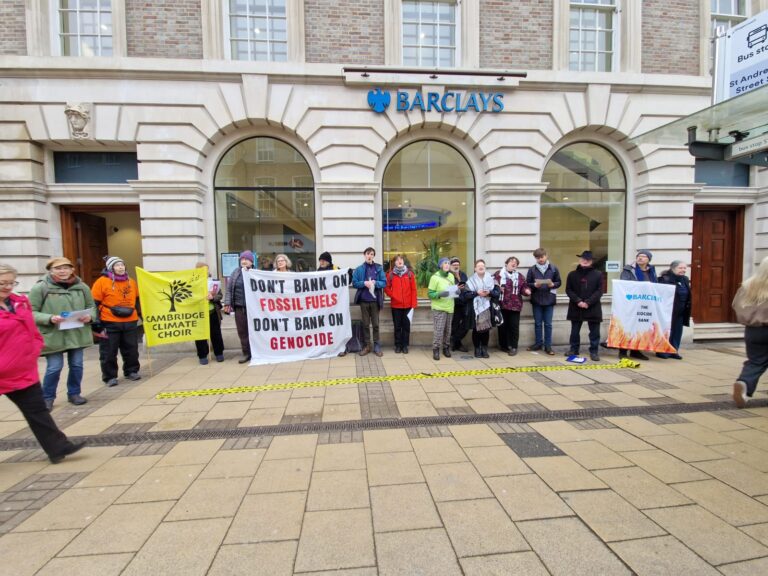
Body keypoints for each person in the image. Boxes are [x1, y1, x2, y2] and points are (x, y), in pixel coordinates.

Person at [0, 263, 86, 463]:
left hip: (21, 370)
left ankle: (58, 447)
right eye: (3, 283)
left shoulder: (20, 302)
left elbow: (30, 326)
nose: (8, 286)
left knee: (37, 411)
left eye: (11, 282)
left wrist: (36, 345)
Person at [29, 257, 96, 410]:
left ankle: (74, 393)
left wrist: (90, 316)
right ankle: (47, 397)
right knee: (54, 367)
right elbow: (30, 312)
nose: (62, 271)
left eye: (65, 268)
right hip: (54, 334)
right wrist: (50, 318)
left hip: (76, 332)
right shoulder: (40, 288)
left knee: (77, 364)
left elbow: (92, 306)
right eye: (58, 268)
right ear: (51, 271)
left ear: (72, 270)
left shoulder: (82, 286)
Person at [91, 256, 141, 387]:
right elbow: (94, 303)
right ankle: (110, 376)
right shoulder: (101, 282)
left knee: (131, 349)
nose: (120, 267)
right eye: (117, 265)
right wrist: (96, 321)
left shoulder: (131, 281)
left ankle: (131, 371)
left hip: (130, 320)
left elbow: (137, 301)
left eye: (122, 265)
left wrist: (142, 315)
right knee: (109, 351)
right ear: (110, 268)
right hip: (109, 320)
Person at [731, 256, 768, 408]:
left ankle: (744, 383)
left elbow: (736, 304)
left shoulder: (748, 285)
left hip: (753, 330)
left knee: (755, 361)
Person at [617, 249, 658, 360]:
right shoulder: (628, 270)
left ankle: (636, 351)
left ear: (648, 259)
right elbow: (625, 285)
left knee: (640, 328)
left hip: (645, 303)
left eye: (644, 256)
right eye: (639, 256)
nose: (640, 258)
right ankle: (623, 351)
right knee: (628, 326)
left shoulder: (651, 271)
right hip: (631, 302)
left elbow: (655, 286)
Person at [566, 251, 604, 361]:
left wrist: (588, 302)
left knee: (594, 332)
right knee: (574, 331)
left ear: (591, 261)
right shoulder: (572, 274)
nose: (585, 261)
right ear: (580, 260)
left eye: (588, 259)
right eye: (583, 259)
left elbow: (599, 291)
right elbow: (569, 290)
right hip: (576, 306)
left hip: (593, 306)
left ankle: (594, 351)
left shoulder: (598, 274)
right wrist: (578, 301)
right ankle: (574, 349)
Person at [526, 248, 561, 355]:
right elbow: (528, 283)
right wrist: (534, 285)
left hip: (549, 300)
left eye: (542, 257)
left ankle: (548, 345)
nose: (540, 259)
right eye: (538, 258)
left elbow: (559, 282)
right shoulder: (532, 270)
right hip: (537, 300)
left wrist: (553, 285)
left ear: (546, 256)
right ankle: (538, 343)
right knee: (537, 324)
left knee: (548, 324)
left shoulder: (553, 268)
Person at [352, 247, 386, 357]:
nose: (369, 256)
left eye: (372, 254)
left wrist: (376, 283)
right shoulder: (359, 269)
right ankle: (367, 345)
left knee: (376, 325)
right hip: (364, 300)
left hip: (375, 301)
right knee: (365, 325)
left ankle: (377, 345)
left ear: (373, 256)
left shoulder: (379, 268)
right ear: (364, 255)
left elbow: (384, 283)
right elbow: (355, 283)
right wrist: (364, 283)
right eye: (368, 254)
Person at [463, 259, 500, 359]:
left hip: (487, 308)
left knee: (485, 330)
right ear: (475, 268)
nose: (480, 267)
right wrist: (476, 293)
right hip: (475, 309)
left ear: (485, 267)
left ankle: (484, 349)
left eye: (482, 265)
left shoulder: (492, 279)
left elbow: (497, 294)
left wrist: (489, 293)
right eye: (478, 265)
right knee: (476, 330)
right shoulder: (470, 281)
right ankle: (477, 349)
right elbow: (466, 295)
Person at [494, 257, 531, 356]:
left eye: (516, 263)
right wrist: (498, 289)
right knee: (502, 326)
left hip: (515, 305)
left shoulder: (519, 276)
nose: (513, 263)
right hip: (502, 305)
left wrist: (527, 291)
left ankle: (514, 347)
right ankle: (504, 346)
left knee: (514, 327)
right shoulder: (498, 275)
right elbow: (491, 286)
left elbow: (524, 287)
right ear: (506, 263)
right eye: (511, 262)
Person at [223, 250, 255, 364]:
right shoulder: (235, 273)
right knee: (242, 331)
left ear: (251, 261)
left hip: (253, 309)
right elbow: (229, 289)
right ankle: (246, 353)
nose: (244, 261)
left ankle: (256, 352)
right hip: (239, 307)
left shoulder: (256, 272)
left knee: (254, 331)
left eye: (246, 259)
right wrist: (227, 303)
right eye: (242, 259)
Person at [657, 260, 691, 360]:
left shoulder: (685, 279)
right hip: (668, 311)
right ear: (673, 268)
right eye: (680, 268)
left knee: (677, 332)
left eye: (684, 268)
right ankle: (662, 351)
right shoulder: (664, 279)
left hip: (681, 311)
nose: (683, 270)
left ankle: (673, 350)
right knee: (666, 331)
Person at [386, 254, 417, 354]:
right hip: (396, 306)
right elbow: (386, 288)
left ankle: (405, 346)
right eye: (397, 260)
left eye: (401, 260)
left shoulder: (410, 274)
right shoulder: (390, 274)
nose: (399, 261)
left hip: (408, 306)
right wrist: (393, 295)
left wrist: (413, 304)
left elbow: (413, 290)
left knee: (406, 327)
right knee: (397, 327)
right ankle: (398, 345)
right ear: (394, 262)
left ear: (404, 262)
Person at [195, 262, 224, 365]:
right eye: (203, 269)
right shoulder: (193, 282)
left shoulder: (213, 282)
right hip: (199, 313)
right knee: (200, 335)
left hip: (212, 312)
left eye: (207, 269)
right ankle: (202, 355)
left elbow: (220, 295)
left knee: (216, 333)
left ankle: (219, 353)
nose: (206, 272)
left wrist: (213, 297)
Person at [428, 257, 456, 360]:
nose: (447, 265)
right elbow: (430, 294)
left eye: (448, 263)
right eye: (445, 263)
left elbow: (452, 290)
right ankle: (436, 349)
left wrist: (456, 292)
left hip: (450, 307)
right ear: (440, 265)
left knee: (448, 331)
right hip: (439, 308)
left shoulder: (452, 276)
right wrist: (439, 294)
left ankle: (446, 348)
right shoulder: (434, 277)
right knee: (438, 330)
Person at [449, 257, 469, 352]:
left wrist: (458, 277)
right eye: (454, 265)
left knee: (466, 324)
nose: (456, 266)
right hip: (454, 303)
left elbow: (467, 286)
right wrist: (457, 288)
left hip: (464, 302)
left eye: (457, 265)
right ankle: (457, 344)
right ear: (450, 266)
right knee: (455, 325)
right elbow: (448, 290)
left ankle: (455, 340)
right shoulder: (448, 275)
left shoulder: (463, 274)